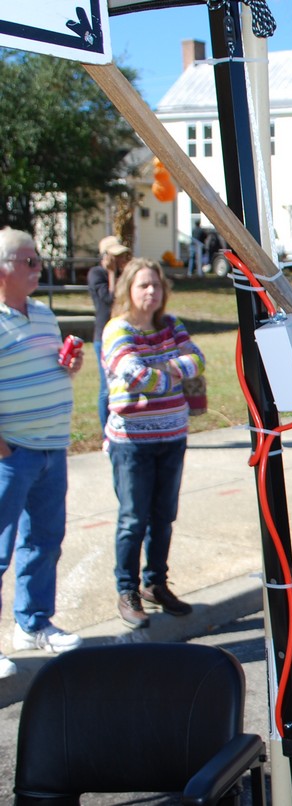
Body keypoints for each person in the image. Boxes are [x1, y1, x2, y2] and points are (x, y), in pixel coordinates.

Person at [102, 258, 205, 628]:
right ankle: (127, 589)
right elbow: (132, 375)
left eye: (156, 286)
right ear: (127, 289)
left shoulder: (171, 325)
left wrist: (166, 371)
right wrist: (171, 374)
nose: (151, 292)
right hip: (132, 442)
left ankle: (155, 584)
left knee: (163, 518)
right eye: (143, 285)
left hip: (172, 437)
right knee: (133, 519)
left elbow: (198, 359)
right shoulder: (118, 329)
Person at [0, 228, 84, 673]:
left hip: (52, 449)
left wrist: (69, 367)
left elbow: (53, 371)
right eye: (27, 261)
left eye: (38, 260)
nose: (38, 268)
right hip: (13, 456)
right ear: (2, 269)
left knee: (44, 542)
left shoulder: (44, 315)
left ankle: (32, 624)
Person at [87, 235, 131, 430]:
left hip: (124, 335)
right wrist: (112, 274)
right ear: (105, 256)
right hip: (103, 337)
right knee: (107, 387)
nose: (119, 260)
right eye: (115, 256)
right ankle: (107, 431)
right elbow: (108, 299)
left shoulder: (124, 275)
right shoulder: (96, 274)